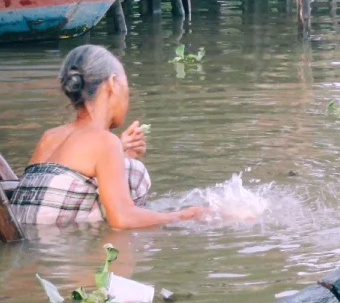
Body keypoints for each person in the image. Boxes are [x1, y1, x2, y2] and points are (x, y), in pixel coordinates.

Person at [11, 45, 206, 229]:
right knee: (134, 173)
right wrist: (186, 215)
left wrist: (122, 154)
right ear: (112, 84)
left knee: (128, 167)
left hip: (24, 246)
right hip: (55, 255)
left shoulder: (49, 137)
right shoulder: (105, 141)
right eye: (126, 90)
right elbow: (123, 219)